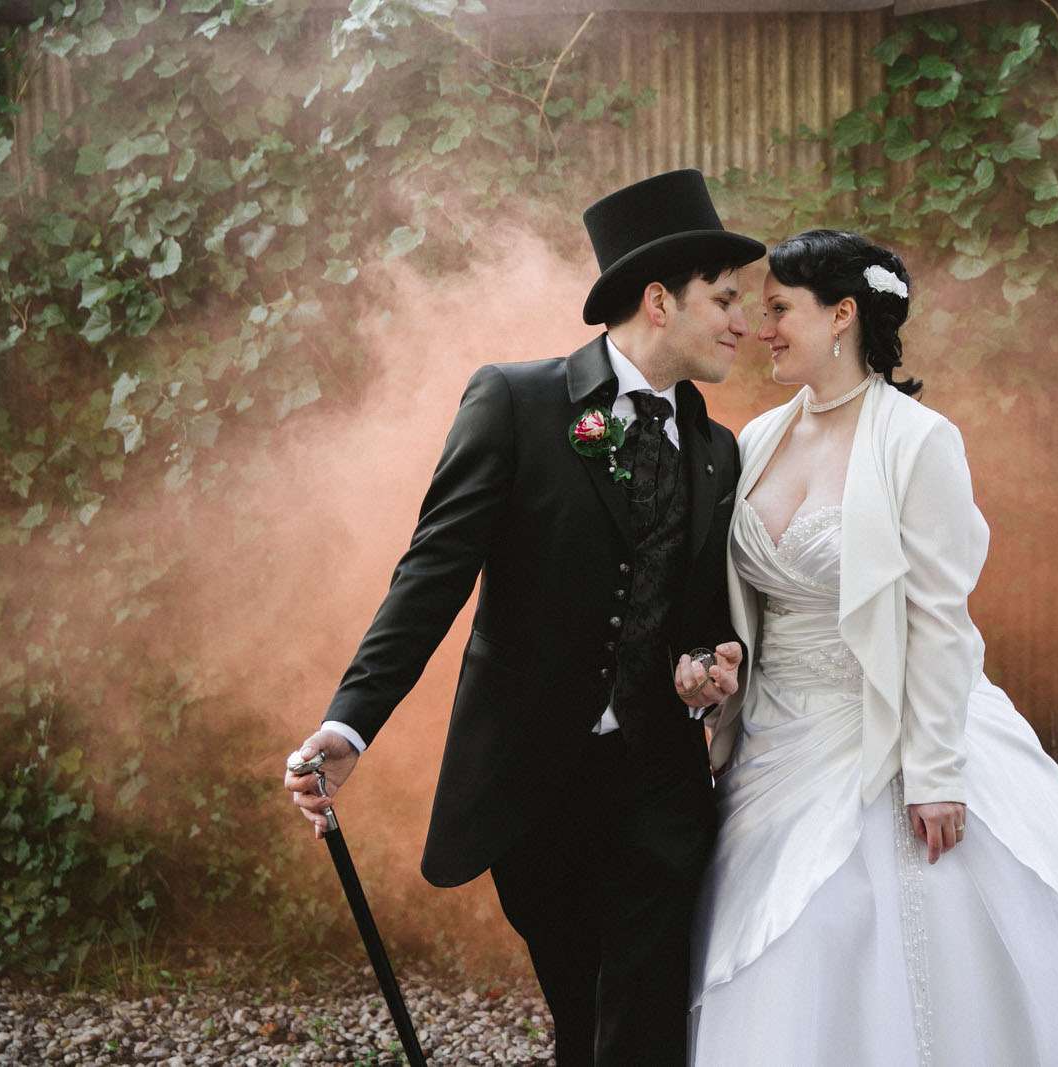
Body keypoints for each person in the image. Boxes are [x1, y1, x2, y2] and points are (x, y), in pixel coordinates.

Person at [679, 230, 1058, 1065]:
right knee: (776, 945)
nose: (761, 327)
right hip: (778, 739)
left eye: (779, 309)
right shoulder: (758, 439)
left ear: (842, 314)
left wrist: (933, 773)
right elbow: (745, 605)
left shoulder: (918, 441)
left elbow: (938, 617)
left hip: (886, 729)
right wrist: (721, 685)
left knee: (870, 934)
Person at [283, 169, 765, 1066]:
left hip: (661, 787)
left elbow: (700, 613)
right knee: (581, 1009)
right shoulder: (518, 402)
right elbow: (431, 576)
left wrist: (708, 661)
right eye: (725, 298)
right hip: (535, 786)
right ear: (659, 300)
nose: (745, 321)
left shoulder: (716, 450)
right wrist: (350, 723)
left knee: (645, 1012)